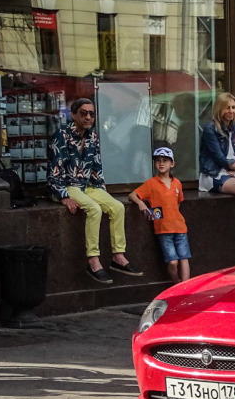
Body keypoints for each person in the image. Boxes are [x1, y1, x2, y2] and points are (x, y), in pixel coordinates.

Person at [48, 97, 141, 284]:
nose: (88, 117)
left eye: (92, 114)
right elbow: (54, 169)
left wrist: (102, 190)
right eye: (84, 113)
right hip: (69, 185)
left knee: (117, 207)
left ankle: (118, 257)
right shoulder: (62, 135)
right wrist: (63, 196)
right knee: (94, 210)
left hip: (89, 185)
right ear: (74, 115)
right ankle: (93, 260)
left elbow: (97, 165)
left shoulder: (93, 135)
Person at [129, 147, 191, 284]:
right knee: (173, 261)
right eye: (158, 161)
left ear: (172, 164)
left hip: (180, 227)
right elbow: (132, 194)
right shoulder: (151, 183)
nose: (161, 163)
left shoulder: (177, 183)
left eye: (165, 160)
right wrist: (140, 203)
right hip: (163, 229)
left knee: (184, 257)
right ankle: (177, 283)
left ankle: (186, 286)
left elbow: (178, 203)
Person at [199, 92, 235, 196]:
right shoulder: (210, 129)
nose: (231, 111)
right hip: (215, 174)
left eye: (233, 107)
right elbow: (220, 159)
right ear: (219, 109)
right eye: (227, 108)